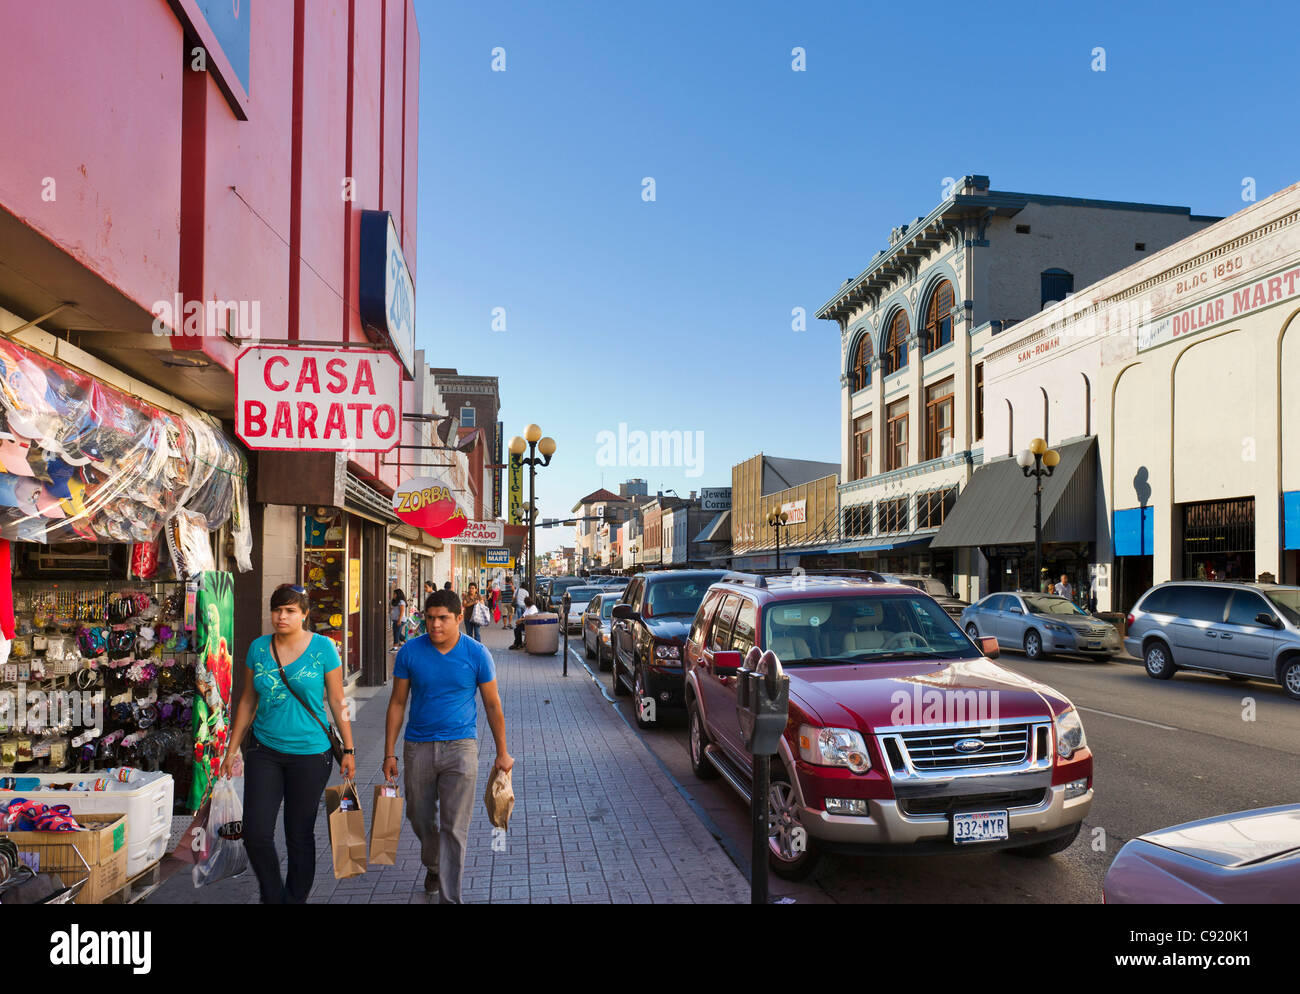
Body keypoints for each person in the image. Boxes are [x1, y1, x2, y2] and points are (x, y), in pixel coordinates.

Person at [221, 583, 355, 904]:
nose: (281, 616)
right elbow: (246, 702)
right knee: (255, 833)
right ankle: (273, 896)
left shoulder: (323, 648)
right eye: (277, 610)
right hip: (264, 751)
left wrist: (348, 749)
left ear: (304, 614)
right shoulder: (258, 648)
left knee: (298, 834)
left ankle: (294, 898)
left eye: (290, 611)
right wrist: (231, 749)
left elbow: (337, 701)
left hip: (311, 754)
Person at [383, 590, 513, 903]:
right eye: (430, 618)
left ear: (458, 618)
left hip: (462, 748)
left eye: (442, 618)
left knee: (454, 827)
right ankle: (433, 863)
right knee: (418, 815)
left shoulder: (477, 653)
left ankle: (450, 897)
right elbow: (398, 702)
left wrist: (502, 752)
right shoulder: (410, 652)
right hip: (418, 747)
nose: (435, 625)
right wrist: (389, 752)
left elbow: (493, 705)